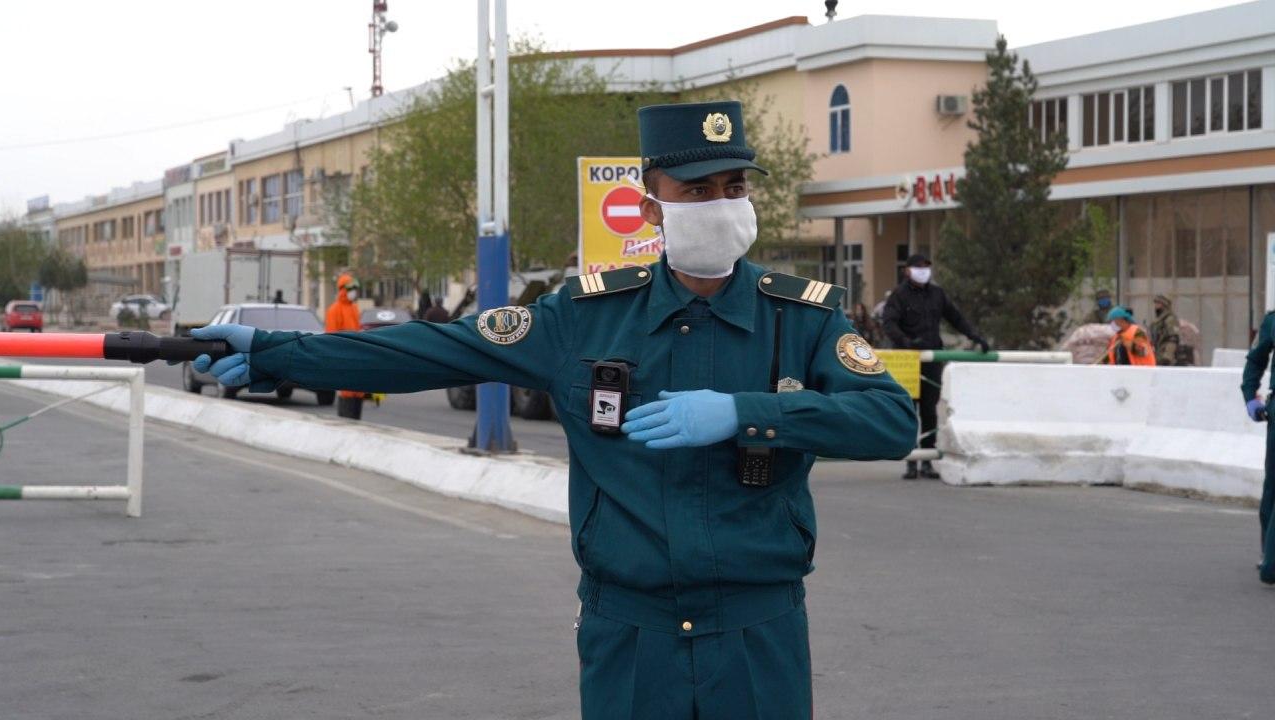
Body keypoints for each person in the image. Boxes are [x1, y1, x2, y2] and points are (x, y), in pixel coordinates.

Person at [190, 100, 918, 719]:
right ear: (651, 204)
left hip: (759, 634)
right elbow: (431, 351)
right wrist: (278, 354)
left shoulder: (801, 319)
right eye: (697, 190)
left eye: (734, 187)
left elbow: (891, 421)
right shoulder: (585, 318)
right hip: (631, 635)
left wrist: (747, 413)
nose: (722, 206)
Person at [882, 253, 989, 480]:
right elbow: (889, 323)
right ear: (907, 270)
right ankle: (911, 461)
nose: (923, 271)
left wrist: (975, 337)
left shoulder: (937, 294)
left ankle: (928, 461)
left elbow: (956, 318)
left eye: (926, 267)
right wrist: (906, 342)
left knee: (930, 410)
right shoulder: (899, 295)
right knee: (909, 411)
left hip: (932, 358)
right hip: (908, 361)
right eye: (918, 267)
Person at [1242, 310, 1275, 586]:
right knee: (1272, 488)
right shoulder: (1273, 321)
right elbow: (1256, 359)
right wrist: (1250, 395)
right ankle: (1269, 554)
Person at [325, 273, 366, 419]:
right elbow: (331, 337)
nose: (353, 292)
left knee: (358, 391)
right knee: (347, 391)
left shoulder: (354, 308)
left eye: (355, 289)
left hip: (356, 357)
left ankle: (355, 423)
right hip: (343, 357)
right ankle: (346, 422)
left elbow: (357, 330)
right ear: (343, 289)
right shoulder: (334, 310)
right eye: (350, 289)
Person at [1149, 294, 1182, 366]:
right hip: (1157, 353)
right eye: (1156, 303)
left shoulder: (1170, 319)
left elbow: (1173, 338)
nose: (1156, 305)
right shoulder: (1158, 320)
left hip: (1165, 355)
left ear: (1164, 304)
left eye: (1158, 303)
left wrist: (1167, 356)